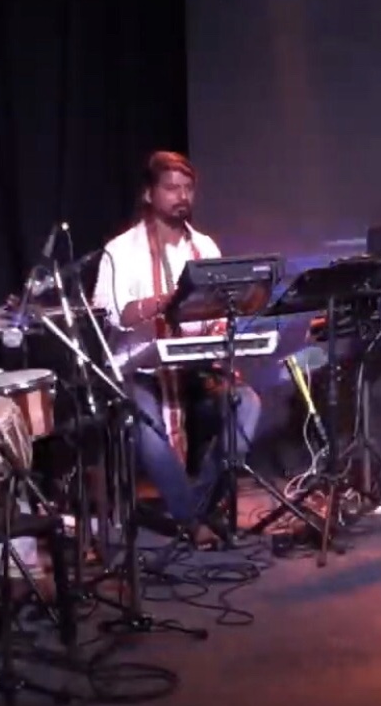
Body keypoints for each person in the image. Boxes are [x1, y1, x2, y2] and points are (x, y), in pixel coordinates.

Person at [92, 150, 262, 548]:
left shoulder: (204, 247)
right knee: (146, 425)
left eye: (188, 188)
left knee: (248, 404)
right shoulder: (120, 251)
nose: (182, 196)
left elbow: (220, 307)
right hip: (140, 370)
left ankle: (195, 506)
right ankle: (191, 518)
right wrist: (166, 301)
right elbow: (111, 313)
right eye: (171, 188)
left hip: (194, 368)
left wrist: (224, 329)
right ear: (149, 194)